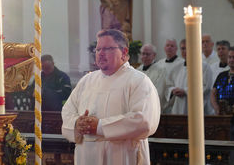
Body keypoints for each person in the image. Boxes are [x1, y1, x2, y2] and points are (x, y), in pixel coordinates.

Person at [61, 29, 160, 165]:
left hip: (122, 156)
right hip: (87, 157)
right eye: (98, 49)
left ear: (124, 52)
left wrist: (100, 127)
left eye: (107, 49)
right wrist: (77, 124)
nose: (100, 54)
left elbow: (144, 120)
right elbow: (67, 111)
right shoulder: (87, 81)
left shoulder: (138, 81)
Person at [210, 46, 234, 163]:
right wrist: (216, 108)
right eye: (230, 57)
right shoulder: (222, 75)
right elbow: (213, 93)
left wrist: (232, 109)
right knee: (225, 153)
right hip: (223, 122)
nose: (231, 60)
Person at [166, 39, 213, 115]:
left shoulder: (204, 67)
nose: (185, 51)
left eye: (187, 48)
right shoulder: (176, 68)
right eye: (183, 48)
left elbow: (206, 87)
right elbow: (169, 84)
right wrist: (173, 90)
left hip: (196, 108)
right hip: (178, 107)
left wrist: (185, 91)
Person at [137, 44, 166, 112]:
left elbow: (159, 91)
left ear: (154, 55)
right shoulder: (138, 70)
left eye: (147, 54)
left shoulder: (161, 70)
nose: (145, 56)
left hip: (152, 108)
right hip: (139, 108)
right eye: (143, 53)